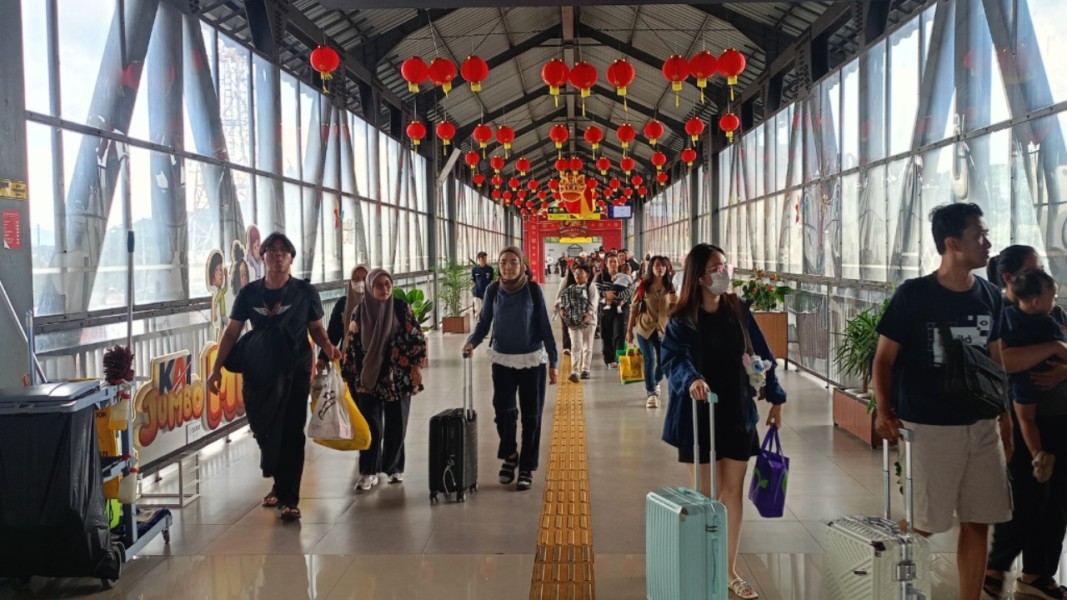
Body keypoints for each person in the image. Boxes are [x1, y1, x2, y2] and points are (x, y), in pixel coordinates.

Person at [872, 203, 1013, 600]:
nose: (987, 244)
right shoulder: (914, 296)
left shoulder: (989, 296)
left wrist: (1005, 419)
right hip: (929, 427)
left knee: (978, 519)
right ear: (952, 243)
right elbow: (883, 359)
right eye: (978, 235)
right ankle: (892, 584)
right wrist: (884, 411)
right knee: (924, 523)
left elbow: (996, 361)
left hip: (981, 425)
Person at [660, 243, 785, 600]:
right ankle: (699, 564)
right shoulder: (682, 318)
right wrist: (692, 379)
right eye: (718, 268)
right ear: (699, 277)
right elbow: (675, 359)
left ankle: (728, 570)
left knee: (732, 494)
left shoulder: (736, 308)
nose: (725, 272)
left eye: (726, 265)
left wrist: (776, 397)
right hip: (698, 414)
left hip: (737, 411)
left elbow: (759, 353)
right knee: (704, 497)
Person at [208, 233, 340, 522]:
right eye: (272, 250)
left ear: (291, 258)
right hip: (260, 370)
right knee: (265, 428)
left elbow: (316, 328)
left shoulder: (305, 293)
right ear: (263, 256)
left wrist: (329, 347)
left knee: (292, 429)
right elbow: (231, 332)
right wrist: (216, 368)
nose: (278, 255)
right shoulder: (249, 293)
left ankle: (289, 498)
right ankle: (280, 485)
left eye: (284, 251)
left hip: (295, 369)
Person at [985, 245, 1067, 600]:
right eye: (1033, 271)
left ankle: (1038, 573)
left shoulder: (1051, 312)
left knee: (1056, 501)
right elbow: (1005, 361)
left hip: (1058, 414)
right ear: (1010, 279)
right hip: (1019, 416)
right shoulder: (999, 313)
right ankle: (995, 566)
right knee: (1029, 496)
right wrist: (1052, 350)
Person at [463, 246, 559, 491]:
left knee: (531, 416)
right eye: (503, 262)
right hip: (502, 360)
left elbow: (546, 328)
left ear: (523, 266)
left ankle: (526, 467)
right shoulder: (492, 290)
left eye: (513, 262)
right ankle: (510, 453)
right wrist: (472, 342)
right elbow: (484, 323)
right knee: (503, 411)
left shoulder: (533, 291)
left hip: (532, 361)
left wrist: (554, 363)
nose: (508, 266)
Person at [344, 268, 427, 492]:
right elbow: (352, 345)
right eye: (379, 285)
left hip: (397, 376)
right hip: (368, 377)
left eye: (388, 284)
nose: (385, 289)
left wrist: (417, 366)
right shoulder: (360, 312)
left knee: (397, 423)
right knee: (370, 426)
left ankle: (394, 467)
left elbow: (417, 338)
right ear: (370, 288)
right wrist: (349, 376)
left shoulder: (401, 309)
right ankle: (368, 471)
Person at [627, 255, 677, 408]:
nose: (660, 268)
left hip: (663, 330)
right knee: (649, 359)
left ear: (667, 268)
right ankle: (651, 393)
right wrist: (629, 330)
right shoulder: (643, 286)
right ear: (651, 268)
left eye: (663, 266)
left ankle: (654, 381)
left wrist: (676, 303)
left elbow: (673, 312)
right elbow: (634, 309)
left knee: (663, 362)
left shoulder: (671, 288)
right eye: (657, 265)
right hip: (645, 328)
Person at [318, 264, 369, 369]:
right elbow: (333, 333)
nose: (360, 283)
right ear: (351, 282)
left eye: (364, 278)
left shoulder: (380, 305)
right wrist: (322, 358)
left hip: (374, 362)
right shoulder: (343, 304)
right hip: (348, 361)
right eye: (356, 279)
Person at [559, 263, 599, 383]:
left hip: (589, 321)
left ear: (587, 275)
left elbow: (594, 301)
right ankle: (575, 371)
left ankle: (585, 369)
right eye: (575, 273)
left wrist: (589, 313)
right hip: (573, 321)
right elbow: (562, 300)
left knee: (587, 346)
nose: (577, 275)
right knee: (576, 346)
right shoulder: (570, 288)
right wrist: (561, 309)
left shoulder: (591, 287)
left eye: (580, 273)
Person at [596, 253, 630, 368]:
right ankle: (609, 359)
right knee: (606, 334)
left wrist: (623, 299)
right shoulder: (601, 276)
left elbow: (631, 290)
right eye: (610, 261)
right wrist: (605, 295)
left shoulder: (624, 275)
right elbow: (596, 291)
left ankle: (619, 358)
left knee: (620, 333)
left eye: (615, 261)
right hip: (606, 308)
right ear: (606, 264)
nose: (613, 264)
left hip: (621, 308)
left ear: (619, 263)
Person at [471, 251, 495, 319]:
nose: (485, 260)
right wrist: (473, 290)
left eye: (485, 258)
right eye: (483, 258)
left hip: (487, 293)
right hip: (477, 293)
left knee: (486, 310)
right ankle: (478, 325)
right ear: (479, 259)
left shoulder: (490, 269)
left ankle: (485, 325)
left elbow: (491, 280)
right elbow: (473, 281)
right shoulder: (474, 269)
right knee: (478, 310)